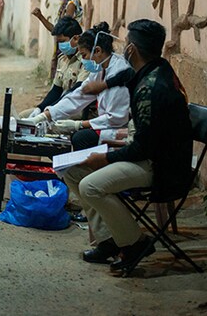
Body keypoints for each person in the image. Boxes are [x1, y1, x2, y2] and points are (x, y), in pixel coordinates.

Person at [63, 19, 194, 271]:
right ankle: (109, 240)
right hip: (148, 154)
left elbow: (142, 149)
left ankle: (135, 243)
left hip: (160, 168)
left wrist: (105, 158)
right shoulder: (155, 71)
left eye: (126, 44)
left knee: (89, 185)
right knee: (72, 172)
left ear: (132, 49)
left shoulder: (152, 89)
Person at [26, 22, 130, 151]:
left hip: (118, 130)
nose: (84, 59)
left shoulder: (119, 71)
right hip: (106, 125)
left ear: (97, 50)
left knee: (79, 138)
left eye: (84, 55)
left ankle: (86, 169)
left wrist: (78, 125)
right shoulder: (100, 69)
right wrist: (47, 114)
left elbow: (116, 119)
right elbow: (78, 96)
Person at [19, 16, 88, 117]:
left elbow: (75, 92)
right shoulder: (62, 59)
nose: (60, 45)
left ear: (76, 39)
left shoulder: (86, 61)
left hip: (76, 109)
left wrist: (50, 110)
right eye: (58, 42)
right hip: (59, 106)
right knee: (23, 116)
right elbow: (56, 90)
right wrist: (40, 108)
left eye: (63, 41)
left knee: (44, 124)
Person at [32, 0, 84, 76]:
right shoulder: (64, 3)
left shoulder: (72, 3)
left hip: (70, 43)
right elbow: (56, 29)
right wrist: (40, 17)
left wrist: (41, 17)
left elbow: (60, 29)